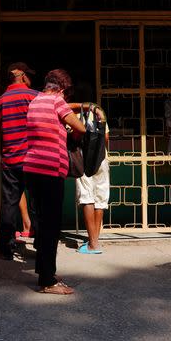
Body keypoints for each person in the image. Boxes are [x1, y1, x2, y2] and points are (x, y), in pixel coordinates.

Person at [24, 69, 86, 294]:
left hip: (31, 167)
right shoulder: (57, 102)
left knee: (42, 223)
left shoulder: (34, 102)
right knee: (51, 226)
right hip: (50, 170)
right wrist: (72, 133)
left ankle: (45, 271)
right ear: (61, 89)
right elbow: (80, 128)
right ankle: (47, 282)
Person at [0, 62, 38, 260]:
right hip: (33, 158)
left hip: (10, 159)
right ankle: (40, 241)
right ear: (20, 75)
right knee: (38, 202)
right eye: (28, 75)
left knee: (9, 204)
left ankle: (6, 247)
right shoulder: (34, 96)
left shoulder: (1, 100)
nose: (30, 79)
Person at [71, 103, 111, 254]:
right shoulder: (99, 113)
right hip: (101, 159)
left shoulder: (72, 116)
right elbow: (106, 137)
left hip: (83, 161)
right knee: (100, 199)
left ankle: (93, 244)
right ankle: (95, 240)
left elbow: (74, 137)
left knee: (87, 197)